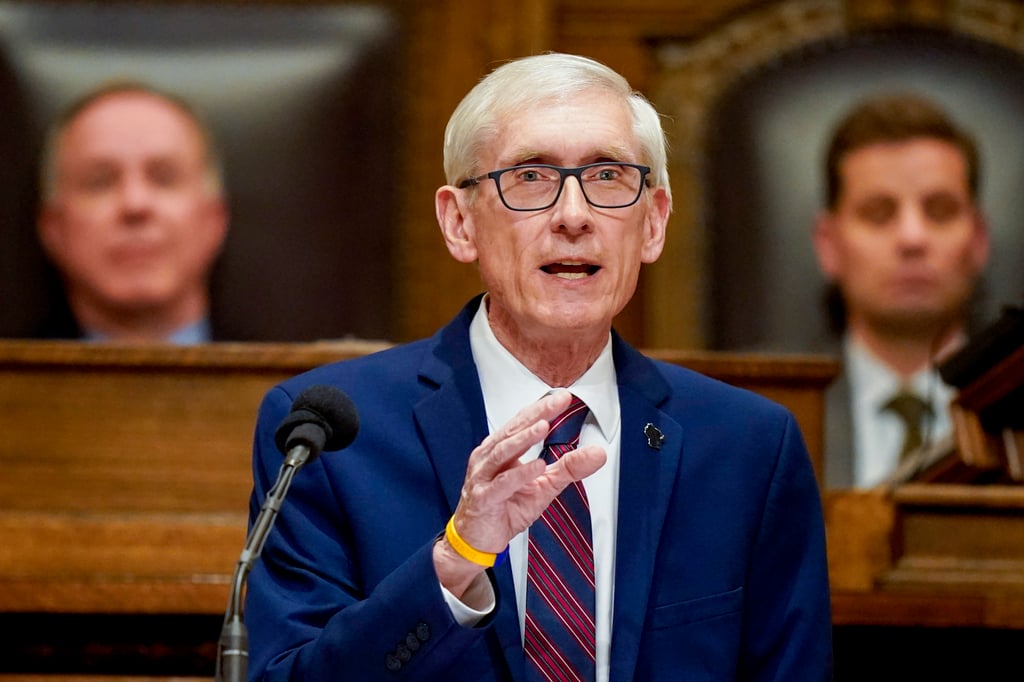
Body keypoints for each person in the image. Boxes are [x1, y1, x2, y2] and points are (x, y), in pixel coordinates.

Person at [244, 52, 832, 681]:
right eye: (531, 177)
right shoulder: (330, 440)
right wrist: (456, 560)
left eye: (608, 176)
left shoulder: (749, 449)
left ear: (653, 223)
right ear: (460, 222)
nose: (574, 216)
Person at [812, 92, 990, 488]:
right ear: (828, 244)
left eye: (940, 210)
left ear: (978, 240)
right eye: (879, 213)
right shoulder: (770, 409)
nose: (913, 238)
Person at [34, 81, 229, 343]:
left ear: (213, 220)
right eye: (100, 182)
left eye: (164, 178)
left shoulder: (293, 380)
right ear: (54, 228)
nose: (135, 204)